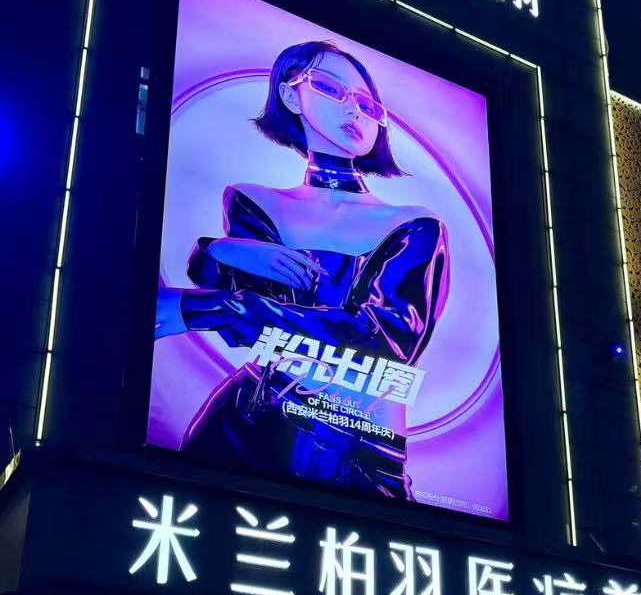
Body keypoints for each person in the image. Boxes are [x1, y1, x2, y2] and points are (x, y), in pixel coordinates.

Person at [156, 40, 450, 499]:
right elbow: (242, 309)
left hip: (358, 447)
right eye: (331, 88)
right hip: (246, 417)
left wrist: (209, 309)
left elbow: (385, 344)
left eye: (367, 105)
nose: (353, 110)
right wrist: (219, 251)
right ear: (290, 95)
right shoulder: (253, 200)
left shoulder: (415, 225)